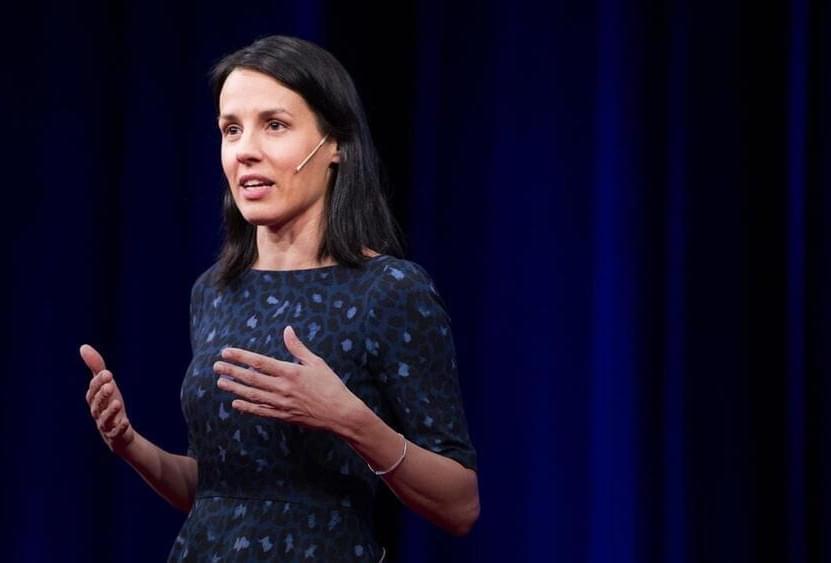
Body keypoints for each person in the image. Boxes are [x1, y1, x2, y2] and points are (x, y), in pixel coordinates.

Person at [81, 35, 479, 562]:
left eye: (274, 125)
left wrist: (350, 419)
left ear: (335, 145)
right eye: (231, 129)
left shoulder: (388, 290)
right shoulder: (215, 291)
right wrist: (131, 445)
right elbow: (219, 493)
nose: (245, 150)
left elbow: (460, 505)